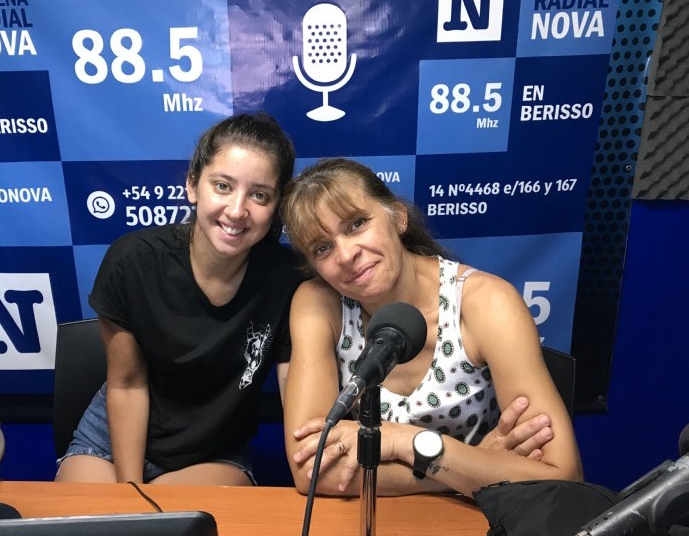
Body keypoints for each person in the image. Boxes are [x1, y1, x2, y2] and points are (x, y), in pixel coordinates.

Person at [280, 158, 582, 497]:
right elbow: (311, 469)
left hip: (479, 517)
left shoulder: (485, 302)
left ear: (398, 217)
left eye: (356, 224)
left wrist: (404, 442)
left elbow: (562, 475)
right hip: (396, 512)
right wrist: (470, 466)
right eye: (323, 248)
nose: (346, 254)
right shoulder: (320, 303)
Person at [55, 113, 302, 485]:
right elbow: (127, 384)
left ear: (277, 205)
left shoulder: (289, 279)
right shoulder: (132, 261)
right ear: (192, 185)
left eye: (259, 195)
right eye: (222, 186)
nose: (237, 210)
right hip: (109, 442)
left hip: (214, 453)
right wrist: (130, 492)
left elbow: (295, 395)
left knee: (174, 526)